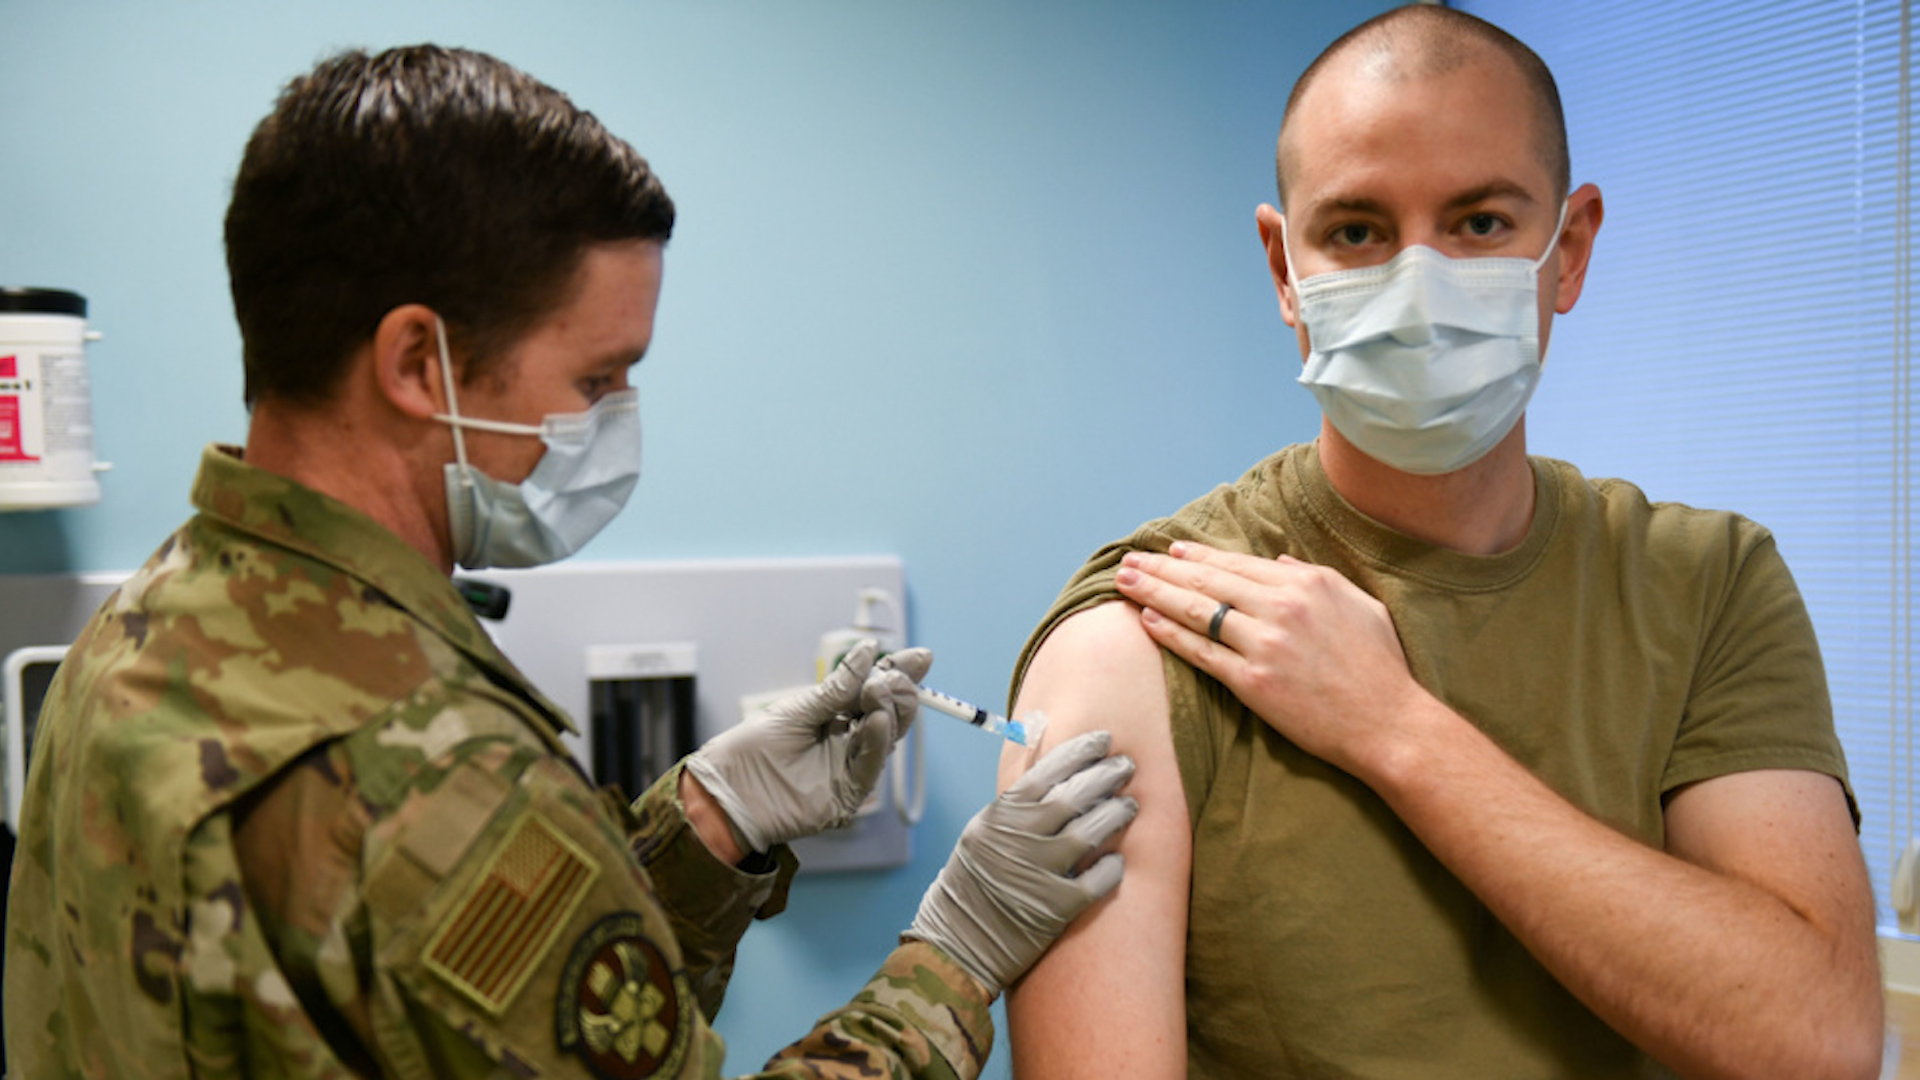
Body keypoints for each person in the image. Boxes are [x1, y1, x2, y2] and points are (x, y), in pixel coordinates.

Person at [3, 45, 1139, 1080]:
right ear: (416, 361)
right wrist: (954, 953)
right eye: (598, 380)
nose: (620, 419)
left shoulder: (151, 625)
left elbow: (455, 1008)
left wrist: (708, 823)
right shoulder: (423, 767)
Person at [998, 7, 1881, 1080]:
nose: (1419, 289)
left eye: (1478, 224)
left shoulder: (1707, 585)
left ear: (1571, 249)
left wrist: (1395, 728)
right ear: (1285, 269)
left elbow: (1817, 1041)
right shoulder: (1140, 638)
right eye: (1359, 232)